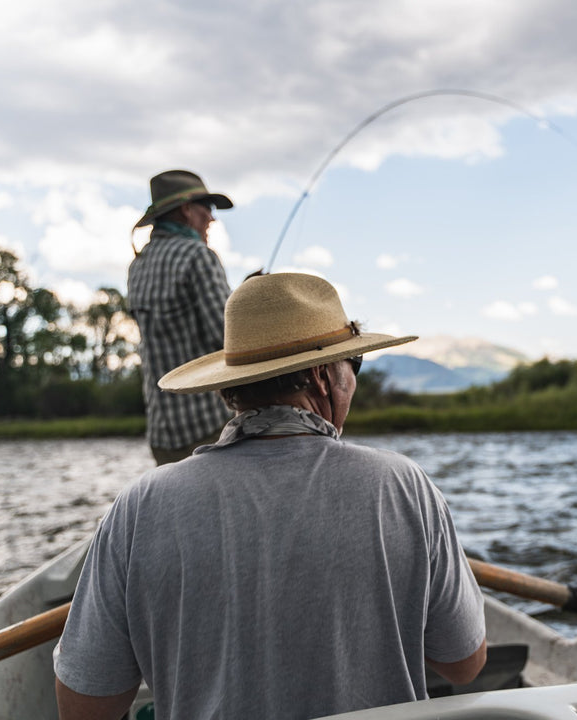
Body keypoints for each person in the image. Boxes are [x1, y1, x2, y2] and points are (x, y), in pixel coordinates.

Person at [54, 273, 488, 720]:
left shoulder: (140, 504)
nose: (353, 382)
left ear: (231, 388)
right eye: (352, 364)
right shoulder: (404, 486)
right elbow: (464, 664)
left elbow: (83, 708)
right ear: (323, 378)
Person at [128, 169, 235, 465]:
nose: (212, 219)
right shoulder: (198, 256)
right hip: (209, 427)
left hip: (161, 435)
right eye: (207, 208)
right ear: (187, 210)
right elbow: (229, 337)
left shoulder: (138, 265)